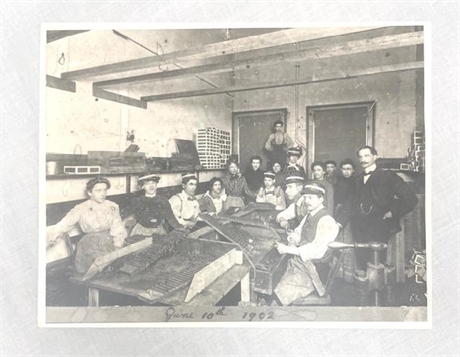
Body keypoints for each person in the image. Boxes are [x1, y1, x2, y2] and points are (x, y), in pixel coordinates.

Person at [351, 146, 418, 270]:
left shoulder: (387, 176)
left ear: (375, 157)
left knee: (378, 262)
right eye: (360, 157)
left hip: (379, 224)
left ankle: (378, 288)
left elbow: (411, 198)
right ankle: (364, 287)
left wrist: (393, 212)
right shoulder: (357, 178)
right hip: (360, 225)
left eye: (366, 156)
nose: (363, 159)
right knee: (361, 260)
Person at [274, 183, 340, 305]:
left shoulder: (326, 220)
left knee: (279, 293)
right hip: (303, 262)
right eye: (305, 198)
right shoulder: (309, 215)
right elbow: (297, 233)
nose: (306, 201)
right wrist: (293, 241)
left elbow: (317, 251)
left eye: (311, 198)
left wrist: (289, 250)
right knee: (275, 277)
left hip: (315, 270)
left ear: (321, 199)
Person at [47, 177, 127, 274]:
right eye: (98, 190)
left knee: (118, 264)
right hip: (89, 244)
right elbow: (64, 224)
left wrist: (118, 245)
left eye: (104, 190)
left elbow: (117, 227)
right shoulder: (80, 208)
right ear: (90, 193)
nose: (102, 194)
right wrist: (52, 238)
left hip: (108, 240)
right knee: (97, 270)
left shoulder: (112, 206)